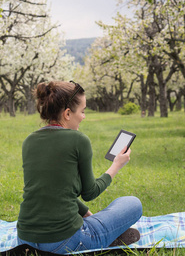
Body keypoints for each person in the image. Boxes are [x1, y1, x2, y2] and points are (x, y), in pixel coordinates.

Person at [17, 80, 142, 254]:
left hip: (24, 240)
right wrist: (116, 165)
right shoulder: (79, 140)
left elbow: (51, 190)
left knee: (95, 220)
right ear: (68, 113)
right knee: (133, 204)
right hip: (64, 243)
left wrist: (87, 214)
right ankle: (105, 237)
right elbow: (90, 192)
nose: (84, 116)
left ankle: (103, 232)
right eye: (82, 111)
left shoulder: (29, 141)